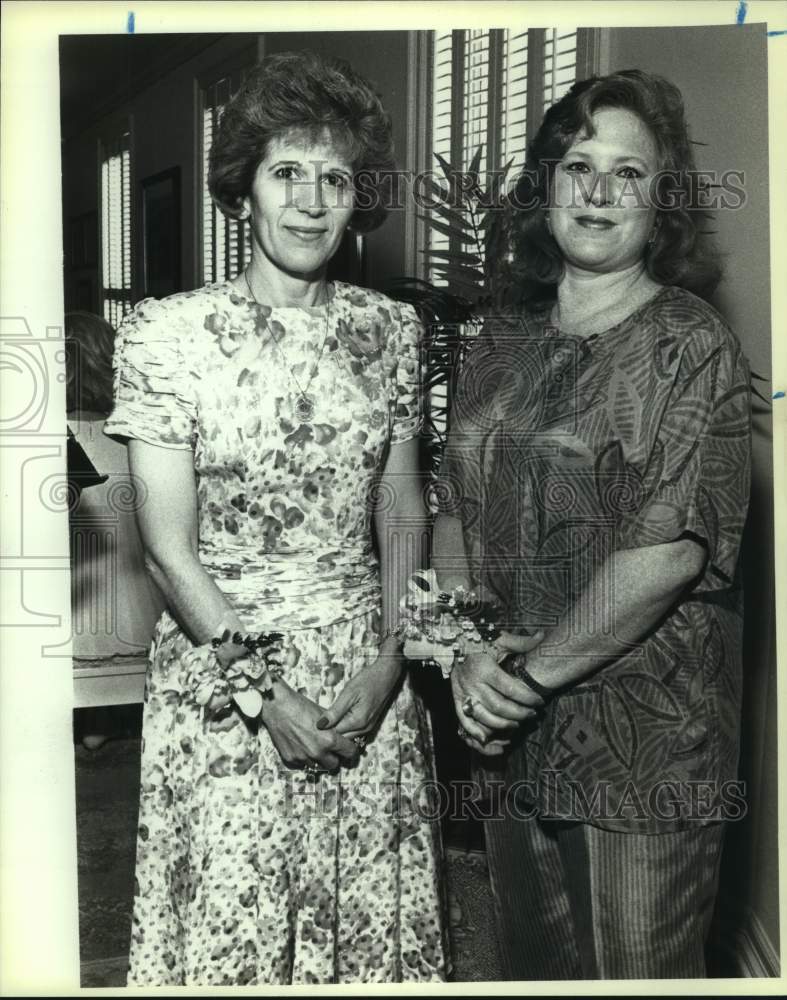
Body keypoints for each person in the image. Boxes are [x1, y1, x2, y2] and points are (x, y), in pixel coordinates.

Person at [104, 51, 448, 986]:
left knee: (361, 923)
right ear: (242, 189)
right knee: (234, 928)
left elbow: (400, 503)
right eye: (285, 171)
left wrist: (391, 660)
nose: (309, 201)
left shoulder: (391, 331)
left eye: (335, 178)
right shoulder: (167, 335)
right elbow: (167, 552)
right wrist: (265, 696)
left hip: (362, 669)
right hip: (225, 675)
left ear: (357, 198)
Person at [432, 69, 751, 979]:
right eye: (578, 165)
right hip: (504, 717)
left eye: (628, 172)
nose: (598, 191)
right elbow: (454, 503)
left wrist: (523, 679)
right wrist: (465, 651)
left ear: (660, 204)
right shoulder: (497, 340)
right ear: (547, 187)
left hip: (642, 736)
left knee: (636, 969)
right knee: (533, 964)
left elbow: (668, 551)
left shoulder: (692, 345)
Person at [66, 311, 165, 746]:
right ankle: (108, 719)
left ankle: (96, 722)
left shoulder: (45, 441)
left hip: (72, 626)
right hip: (142, 621)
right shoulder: (137, 439)